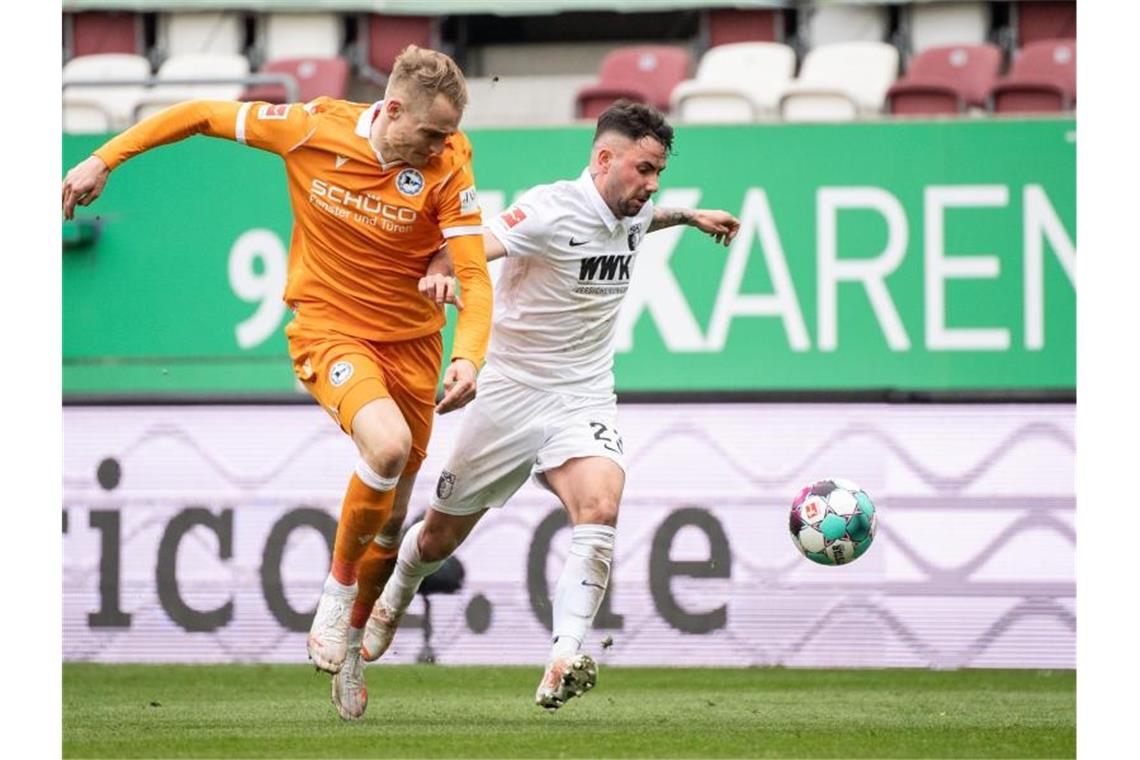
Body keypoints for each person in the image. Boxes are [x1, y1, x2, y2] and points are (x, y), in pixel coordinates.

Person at [61, 46, 494, 721]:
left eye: (448, 135)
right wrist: (104, 158)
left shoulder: (448, 164)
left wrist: (467, 356)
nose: (443, 144)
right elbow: (203, 113)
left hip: (413, 347)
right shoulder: (312, 128)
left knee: (396, 510)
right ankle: (335, 593)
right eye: (432, 132)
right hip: (330, 328)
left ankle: (350, 636)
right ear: (394, 108)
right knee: (382, 448)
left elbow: (472, 275)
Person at [348, 100, 740, 717]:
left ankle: (565, 656)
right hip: (508, 393)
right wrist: (444, 270)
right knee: (439, 538)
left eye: (658, 172)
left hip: (583, 395)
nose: (652, 185)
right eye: (644, 169)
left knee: (601, 504)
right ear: (604, 159)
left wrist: (689, 217)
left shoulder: (631, 210)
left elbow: (646, 221)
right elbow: (478, 244)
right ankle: (397, 591)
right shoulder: (550, 208)